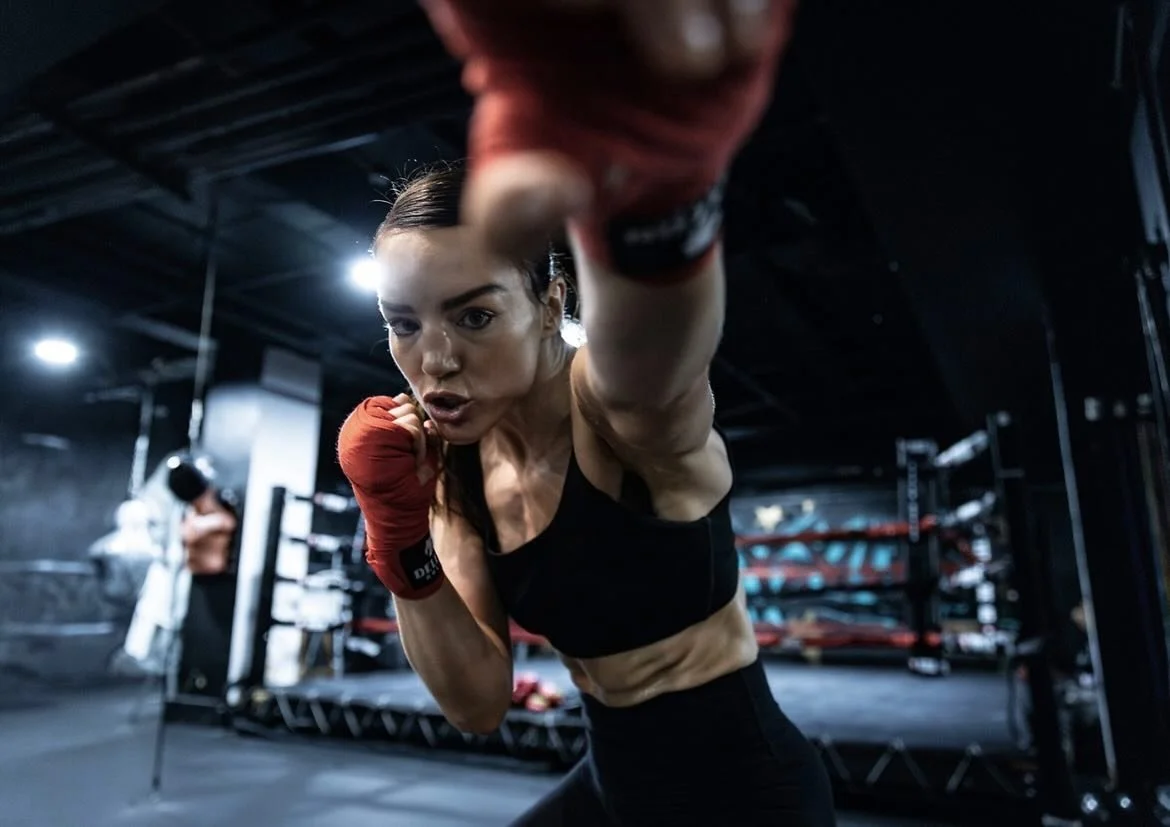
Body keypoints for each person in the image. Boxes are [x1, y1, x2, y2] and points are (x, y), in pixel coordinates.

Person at [338, 1, 836, 824]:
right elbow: (477, 701)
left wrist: (651, 200)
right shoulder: (448, 466)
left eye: (473, 315)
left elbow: (656, 360)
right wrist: (395, 534)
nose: (434, 360)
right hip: (612, 784)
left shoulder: (610, 414)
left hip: (745, 793)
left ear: (548, 301)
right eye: (402, 324)